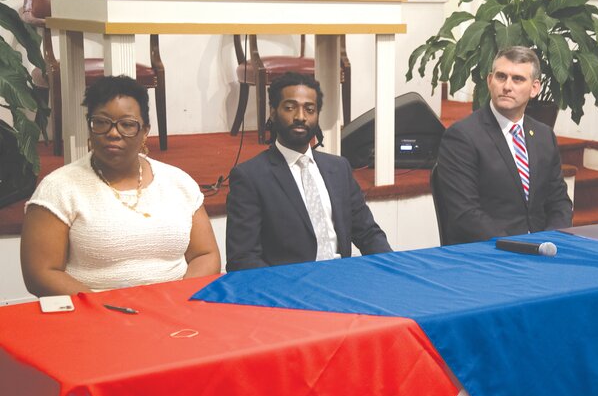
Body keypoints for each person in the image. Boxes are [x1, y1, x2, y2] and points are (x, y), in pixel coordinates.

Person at [20, 75, 221, 296]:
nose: (113, 133)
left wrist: (181, 299)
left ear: (145, 131)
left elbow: (206, 255)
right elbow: (41, 273)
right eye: (101, 123)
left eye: (127, 125)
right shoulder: (59, 187)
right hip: (94, 315)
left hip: (177, 311)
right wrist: (103, 307)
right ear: (89, 126)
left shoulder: (178, 182)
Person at [225, 72, 391, 270]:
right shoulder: (250, 177)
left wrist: (394, 269)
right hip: (289, 290)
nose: (300, 117)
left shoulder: (339, 169)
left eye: (309, 109)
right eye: (290, 108)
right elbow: (242, 259)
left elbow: (368, 234)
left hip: (343, 281)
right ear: (273, 112)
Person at [436, 46, 573, 245]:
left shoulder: (544, 136)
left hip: (542, 251)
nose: (507, 86)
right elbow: (466, 214)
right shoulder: (462, 137)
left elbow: (559, 202)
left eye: (517, 79)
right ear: (490, 81)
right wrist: (519, 247)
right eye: (501, 77)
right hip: (490, 254)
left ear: (535, 88)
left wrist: (550, 241)